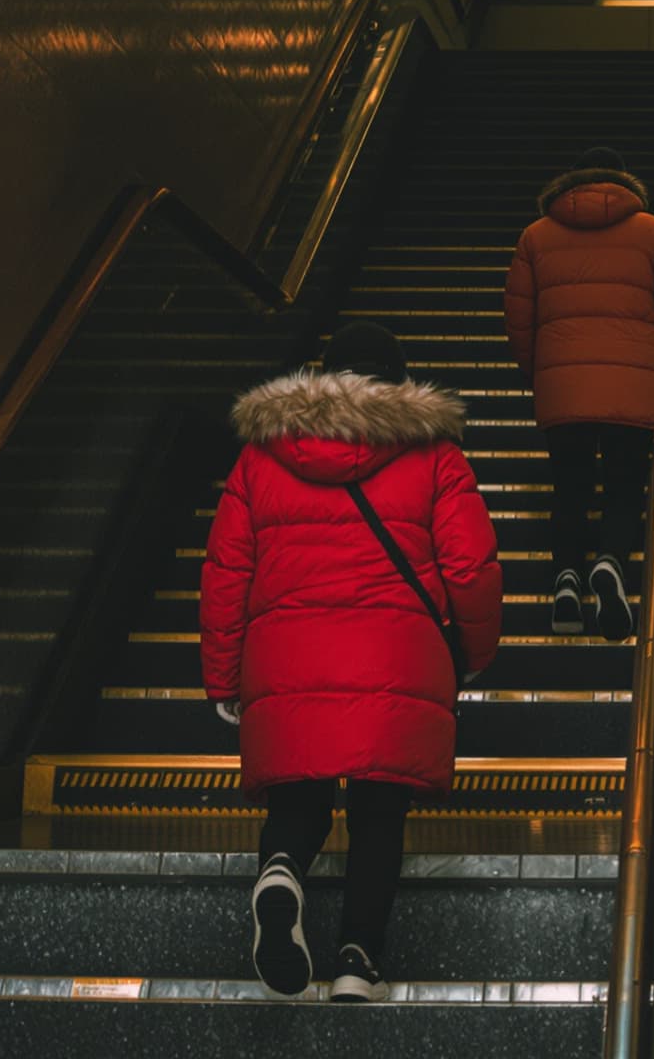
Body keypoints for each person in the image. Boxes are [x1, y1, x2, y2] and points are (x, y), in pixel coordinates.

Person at [200, 321, 502, 1002]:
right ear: (399, 382)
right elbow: (471, 566)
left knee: (298, 796)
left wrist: (223, 674)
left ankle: (281, 869)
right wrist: (474, 654)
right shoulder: (434, 455)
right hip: (396, 653)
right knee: (379, 811)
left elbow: (224, 572)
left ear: (321, 379)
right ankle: (357, 962)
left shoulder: (263, 456)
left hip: (288, 651)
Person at [504, 146, 654, 641]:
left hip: (562, 386)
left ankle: (566, 578)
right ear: (623, 182)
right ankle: (609, 561)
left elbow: (519, 323)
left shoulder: (535, 237)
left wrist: (540, 375)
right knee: (624, 487)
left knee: (569, 488)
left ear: (570, 182)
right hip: (634, 385)